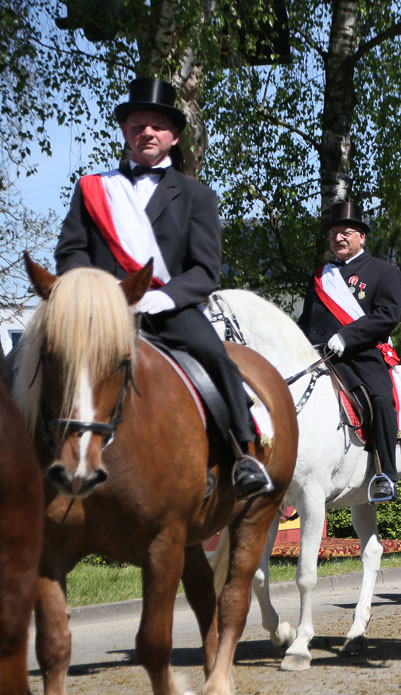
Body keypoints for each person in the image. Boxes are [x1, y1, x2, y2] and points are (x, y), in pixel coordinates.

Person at [55, 77, 272, 498]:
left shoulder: (197, 196)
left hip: (168, 310)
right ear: (125, 132)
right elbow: (71, 252)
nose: (146, 133)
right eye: (138, 125)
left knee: (215, 355)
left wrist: (158, 297)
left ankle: (243, 452)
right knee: (39, 357)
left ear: (173, 137)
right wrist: (96, 294)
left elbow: (204, 271)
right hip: (101, 314)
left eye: (156, 126)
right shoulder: (92, 190)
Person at [298, 202, 401, 503]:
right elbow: (307, 321)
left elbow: (387, 316)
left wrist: (347, 336)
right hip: (320, 355)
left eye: (346, 232)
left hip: (362, 354)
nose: (339, 238)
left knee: (381, 400)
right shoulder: (320, 276)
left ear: (362, 237)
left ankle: (385, 474)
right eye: (334, 233)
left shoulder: (384, 272)